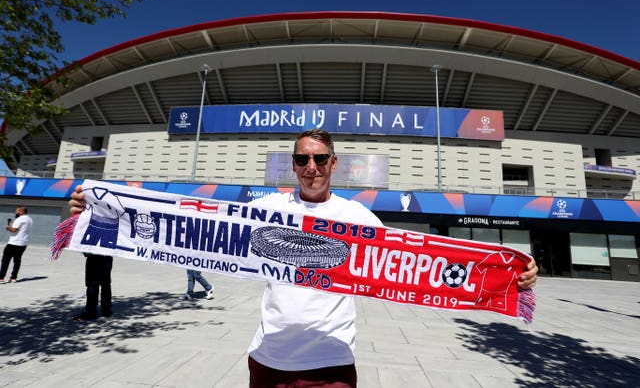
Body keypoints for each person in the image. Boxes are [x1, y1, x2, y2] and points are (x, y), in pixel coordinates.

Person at [69, 129, 538, 387]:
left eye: (319, 158)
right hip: (268, 363)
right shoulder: (269, 210)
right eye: (301, 159)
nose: (310, 167)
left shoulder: (358, 217)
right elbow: (192, 229)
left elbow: (420, 266)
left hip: (330, 367)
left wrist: (509, 278)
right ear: (292, 165)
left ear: (334, 163)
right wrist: (96, 211)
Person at [74, 252, 113, 321]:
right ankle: (91, 312)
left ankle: (106, 312)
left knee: (105, 285)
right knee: (92, 286)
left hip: (105, 257)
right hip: (93, 258)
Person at [0, 206, 33, 283]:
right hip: (23, 243)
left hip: (14, 243)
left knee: (5, 260)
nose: (16, 212)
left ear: (21, 212)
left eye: (17, 211)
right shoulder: (30, 219)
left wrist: (8, 227)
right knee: (17, 260)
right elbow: (22, 229)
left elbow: (14, 230)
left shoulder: (19, 219)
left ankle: (1, 278)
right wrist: (13, 224)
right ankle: (13, 278)